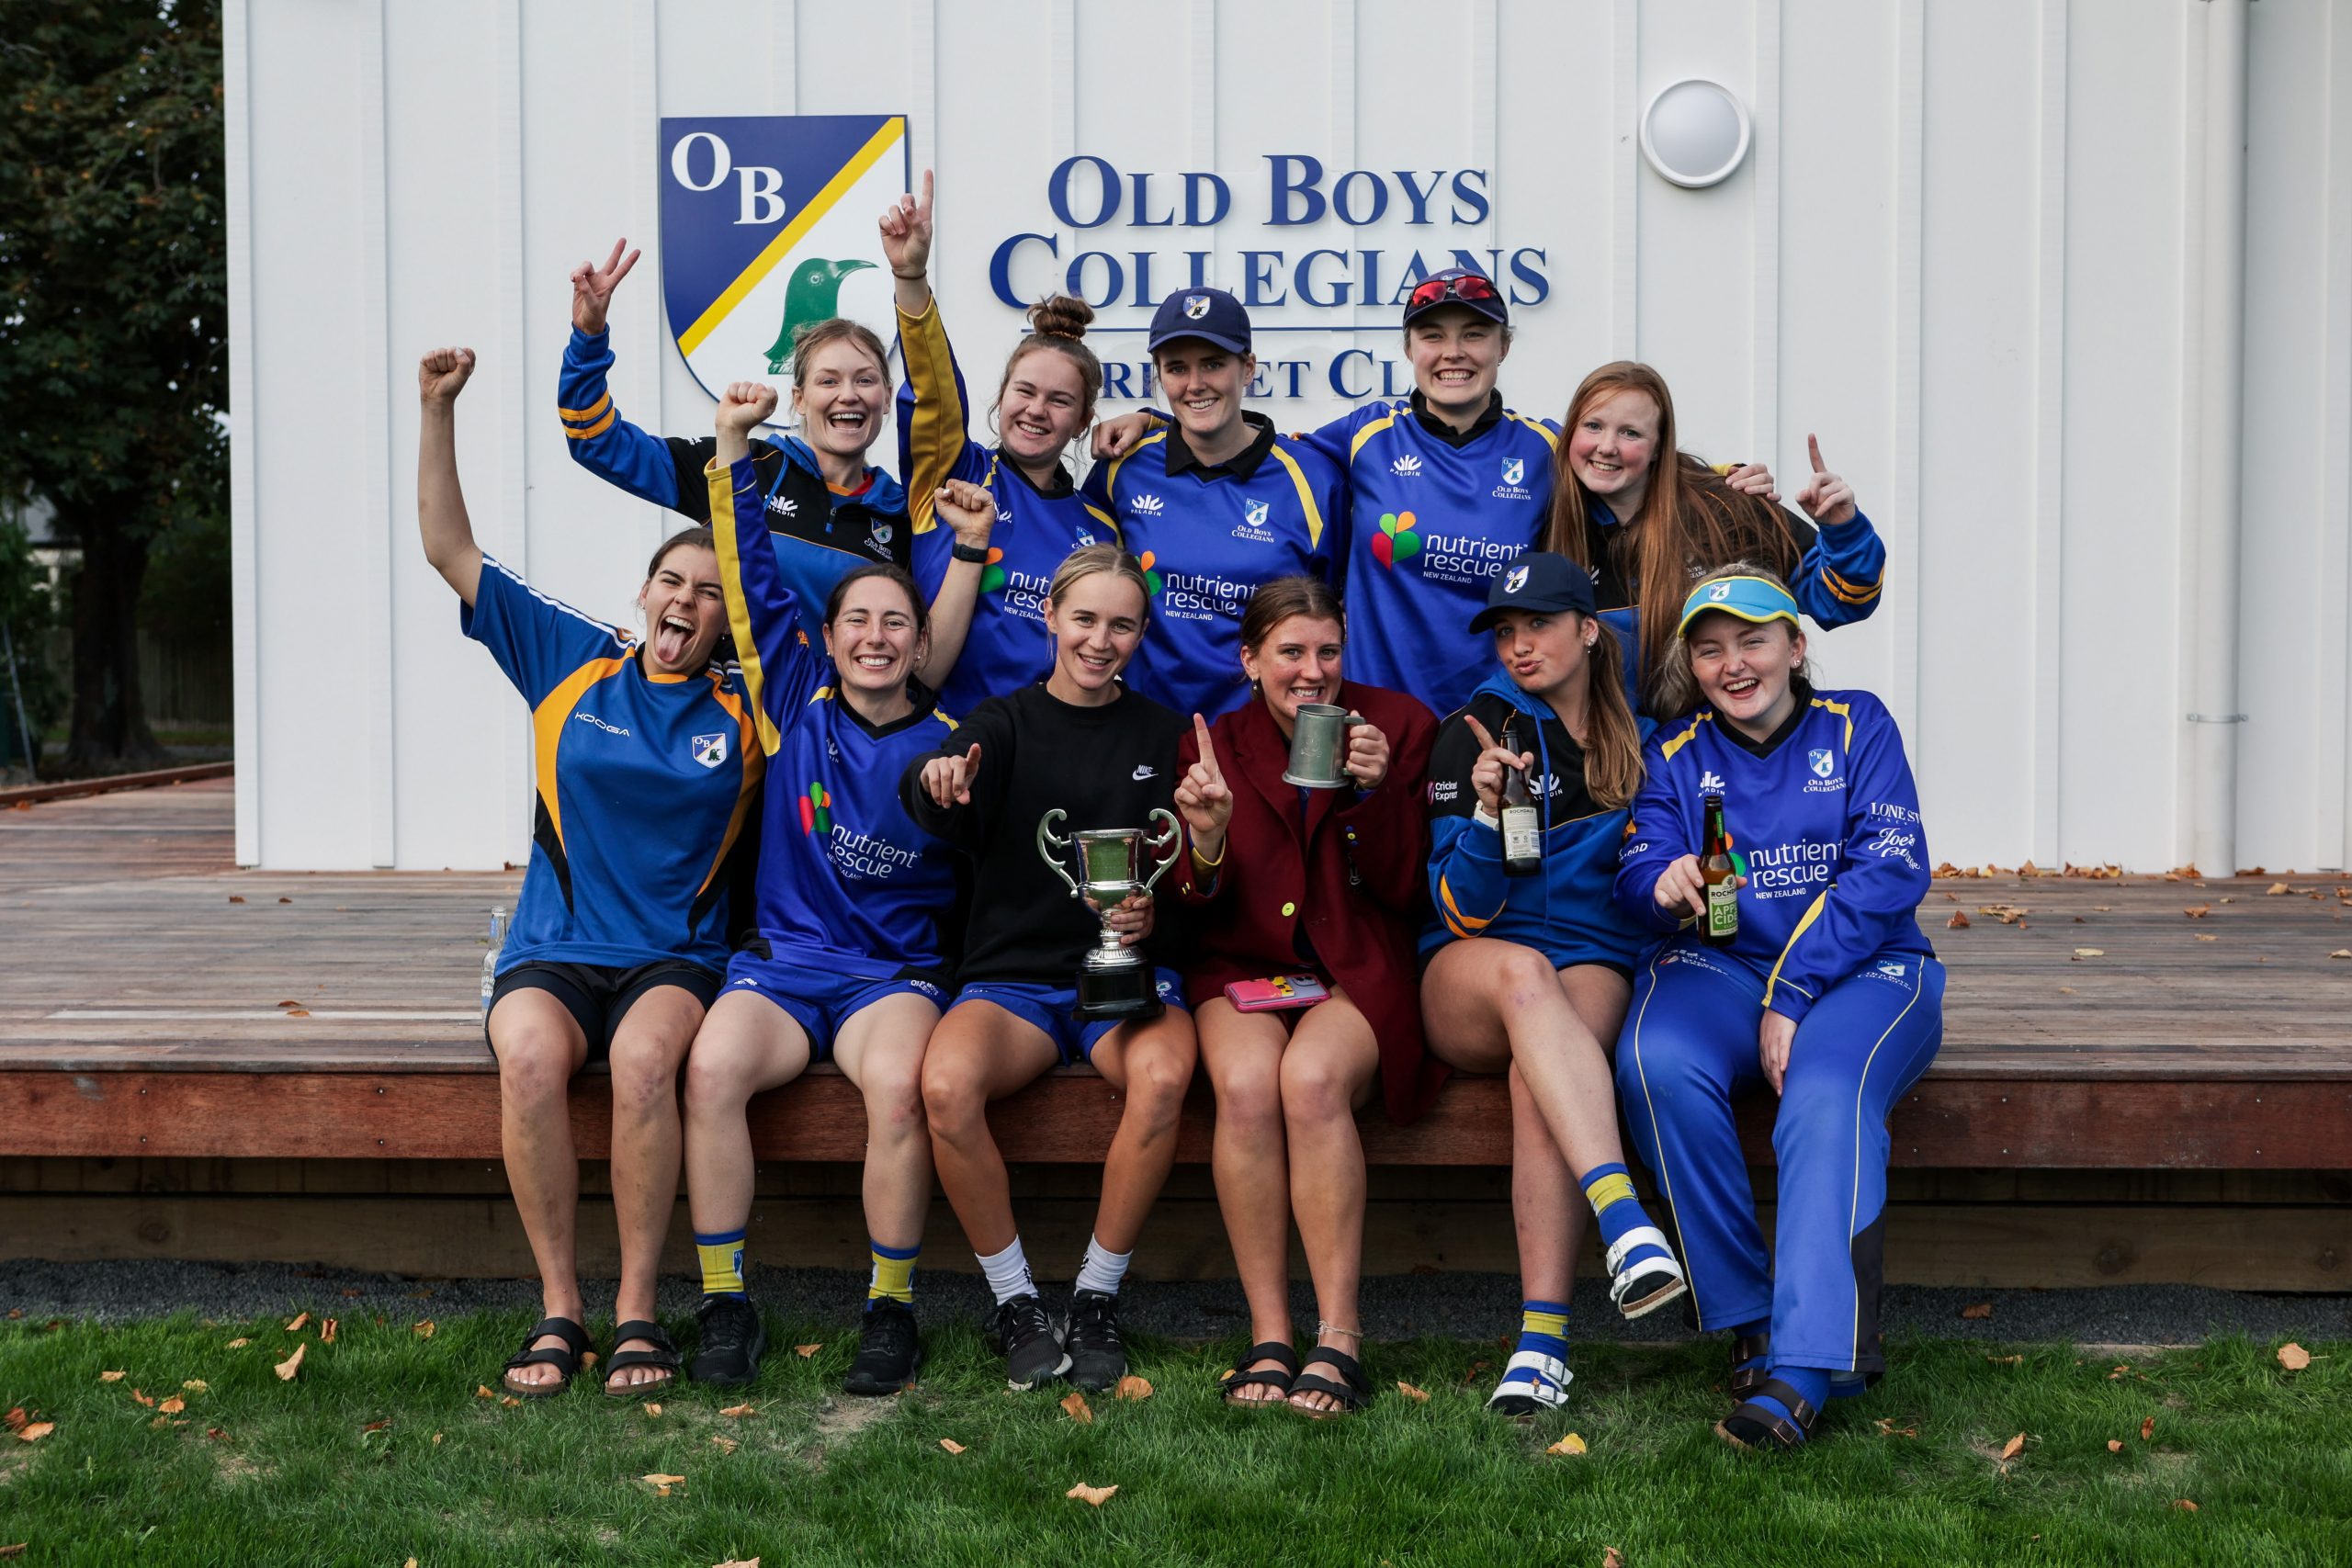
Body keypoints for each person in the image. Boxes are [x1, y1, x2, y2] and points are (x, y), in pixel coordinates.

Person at [415, 346, 762, 1400]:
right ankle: (561, 1307)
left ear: (725, 616)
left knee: (649, 1066)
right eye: (671, 581)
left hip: (674, 956)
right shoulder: (574, 660)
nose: (685, 603)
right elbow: (450, 548)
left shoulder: (753, 704)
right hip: (553, 951)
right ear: (644, 591)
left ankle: (640, 1311)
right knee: (527, 1063)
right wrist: (437, 411)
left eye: (709, 593)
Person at [1091, 269, 1780, 716]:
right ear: (1409, 348)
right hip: (1372, 716)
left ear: (1503, 346)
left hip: (1501, 712)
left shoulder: (1543, 446)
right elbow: (1251, 443)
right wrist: (1155, 420)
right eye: (1433, 335)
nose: (1454, 351)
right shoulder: (1362, 437)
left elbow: (1628, 463)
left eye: (1474, 333)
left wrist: (1727, 484)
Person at [682, 380, 984, 1395]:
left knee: (898, 1086)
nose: (875, 636)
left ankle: (889, 1310)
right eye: (857, 618)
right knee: (712, 1069)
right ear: (833, 630)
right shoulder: (791, 701)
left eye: (896, 621)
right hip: (781, 968)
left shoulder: (953, 746)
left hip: (885, 979)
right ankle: (726, 1302)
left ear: (919, 641)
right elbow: (746, 566)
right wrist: (730, 445)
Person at [1613, 567, 1942, 1451]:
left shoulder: (1858, 723)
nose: (1733, 663)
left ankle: (1804, 1364)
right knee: (1654, 1059)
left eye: (1754, 640)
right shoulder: (1676, 751)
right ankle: (1749, 1312)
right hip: (1724, 968)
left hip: (1864, 972)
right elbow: (1638, 866)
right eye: (1710, 648)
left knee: (1824, 1092)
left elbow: (1888, 872)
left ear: (1796, 647)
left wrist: (1793, 992)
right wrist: (1665, 879)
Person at [899, 545, 1195, 1393]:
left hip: (1122, 976)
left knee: (1167, 1074)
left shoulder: (1165, 734)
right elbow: (928, 790)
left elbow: (1189, 869)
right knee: (947, 1086)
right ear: (1051, 619)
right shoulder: (1000, 723)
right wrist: (940, 778)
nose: (1101, 640)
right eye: (1086, 619)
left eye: (1122, 624)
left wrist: (1153, 910)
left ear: (1142, 634)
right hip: (1014, 982)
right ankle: (1017, 1302)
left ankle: (1097, 1295)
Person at [1419, 551, 1688, 1416]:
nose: (1519, 646)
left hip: (1592, 957)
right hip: (1477, 962)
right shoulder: (1475, 732)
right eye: (1505, 632)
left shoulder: (1644, 739)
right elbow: (1462, 908)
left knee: (1540, 1080)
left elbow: (1651, 892)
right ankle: (1624, 1216)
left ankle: (1542, 1347)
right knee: (1527, 976)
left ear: (1587, 628)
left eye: (1537, 624)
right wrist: (1492, 816)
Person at [1167, 577, 1438, 1417]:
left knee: (1312, 1081)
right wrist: (1203, 842)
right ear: (1250, 660)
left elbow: (1406, 892)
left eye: (1327, 649)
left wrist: (1376, 793)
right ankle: (1271, 1331)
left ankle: (1340, 1335)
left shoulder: (1399, 725)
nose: (1311, 671)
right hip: (1242, 966)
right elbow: (1191, 905)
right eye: (1290, 651)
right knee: (1246, 1088)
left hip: (1357, 967)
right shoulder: (1213, 744)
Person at [557, 240, 989, 683]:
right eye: (828, 380)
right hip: (722, 726)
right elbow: (598, 442)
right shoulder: (742, 463)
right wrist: (589, 337)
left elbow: (924, 653)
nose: (849, 394)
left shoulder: (902, 515)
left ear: (884, 401)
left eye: (865, 380)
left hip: (824, 735)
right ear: (799, 399)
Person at [880, 171, 1122, 716]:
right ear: (1002, 395)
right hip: (943, 741)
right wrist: (911, 278)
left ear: (1083, 421)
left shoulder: (1102, 526)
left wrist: (1153, 419)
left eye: (1060, 401)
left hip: (1053, 751)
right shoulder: (954, 473)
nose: (1037, 410)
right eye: (1025, 391)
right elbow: (934, 390)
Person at [1541, 361, 1885, 712]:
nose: (1607, 446)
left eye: (1630, 433)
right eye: (1593, 426)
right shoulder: (1547, 515)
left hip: (1712, 757)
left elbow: (1843, 601)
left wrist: (1843, 530)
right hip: (1604, 754)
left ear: (1660, 446)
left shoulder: (1727, 509)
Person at [1081, 287, 1344, 721]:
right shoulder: (1123, 467)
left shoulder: (1313, 480)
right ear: (1160, 376)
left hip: (1265, 735)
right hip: (1143, 729)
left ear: (1248, 369)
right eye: (1177, 368)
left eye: (1214, 364)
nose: (1195, 384)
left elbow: (1334, 620)